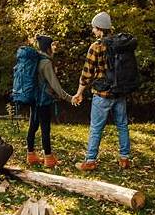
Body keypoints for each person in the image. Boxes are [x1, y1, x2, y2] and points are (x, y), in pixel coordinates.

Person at [73, 12, 131, 171]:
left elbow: (86, 73)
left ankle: (90, 160)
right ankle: (125, 158)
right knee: (122, 125)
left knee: (96, 127)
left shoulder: (96, 46)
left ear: (99, 29)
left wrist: (79, 93)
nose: (93, 31)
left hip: (102, 94)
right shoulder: (120, 45)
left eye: (94, 28)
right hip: (119, 93)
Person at [26, 35, 77, 168]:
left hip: (34, 98)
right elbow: (55, 85)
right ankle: (48, 158)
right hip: (43, 100)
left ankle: (30, 155)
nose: (54, 48)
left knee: (33, 126)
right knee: (45, 128)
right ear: (47, 47)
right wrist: (69, 98)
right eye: (52, 45)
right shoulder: (46, 63)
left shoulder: (36, 59)